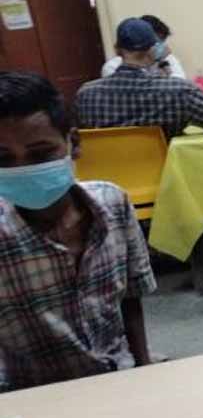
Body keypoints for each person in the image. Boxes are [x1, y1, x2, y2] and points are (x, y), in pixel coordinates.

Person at [0, 72, 156, 391]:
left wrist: (145, 371)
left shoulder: (113, 203)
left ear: (74, 144)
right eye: (3, 159)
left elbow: (130, 299)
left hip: (118, 376)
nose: (22, 169)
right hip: (34, 394)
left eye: (41, 153)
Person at [77, 18, 203, 139]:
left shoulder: (85, 94)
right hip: (166, 173)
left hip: (108, 174)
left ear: (116, 50)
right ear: (153, 50)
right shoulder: (179, 91)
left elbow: (79, 140)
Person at [101, 14, 187, 79]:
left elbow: (180, 83)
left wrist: (164, 66)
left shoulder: (167, 59)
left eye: (162, 41)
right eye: (156, 42)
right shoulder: (112, 66)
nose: (160, 46)